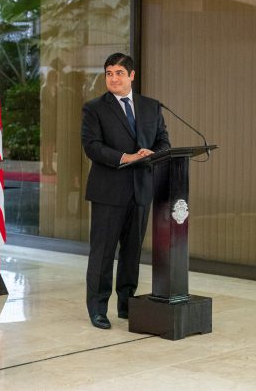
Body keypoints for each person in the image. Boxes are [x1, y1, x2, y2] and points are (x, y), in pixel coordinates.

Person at [81, 53, 170, 330]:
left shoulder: (151, 107)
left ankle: (126, 304)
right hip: (109, 191)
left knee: (131, 253)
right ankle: (97, 309)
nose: (113, 78)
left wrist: (152, 153)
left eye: (119, 73)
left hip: (141, 190)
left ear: (132, 75)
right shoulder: (94, 108)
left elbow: (164, 141)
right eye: (109, 73)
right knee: (103, 253)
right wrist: (126, 157)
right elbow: (92, 146)